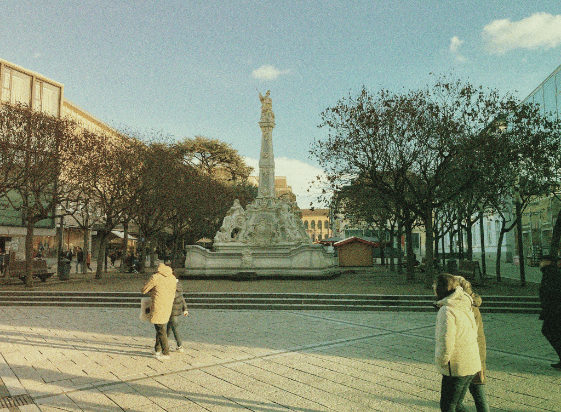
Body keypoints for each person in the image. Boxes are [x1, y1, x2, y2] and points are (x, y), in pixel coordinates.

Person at [434, 273, 481, 412]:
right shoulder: (464, 302)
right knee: (457, 405)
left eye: (435, 284)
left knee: (448, 407)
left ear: (441, 288)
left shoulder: (447, 309)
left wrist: (442, 361)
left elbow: (446, 341)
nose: (433, 287)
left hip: (456, 367)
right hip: (470, 363)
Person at [455, 276, 490, 412]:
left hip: (471, 356)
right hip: (475, 355)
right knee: (479, 395)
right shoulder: (470, 303)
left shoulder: (467, 307)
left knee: (456, 402)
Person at [141, 263, 176, 360]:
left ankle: (166, 353)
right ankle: (157, 349)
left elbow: (144, 290)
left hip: (158, 305)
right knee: (160, 326)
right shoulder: (172, 278)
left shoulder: (155, 277)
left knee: (160, 329)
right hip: (168, 305)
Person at [539, 255, 561, 369]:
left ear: (548, 262)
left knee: (549, 331)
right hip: (554, 309)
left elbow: (550, 292)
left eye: (542, 261)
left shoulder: (551, 272)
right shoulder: (552, 271)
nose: (540, 263)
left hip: (554, 310)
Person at [167, 278, 189, 352]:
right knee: (169, 327)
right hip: (176, 310)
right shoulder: (179, 286)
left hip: (171, 310)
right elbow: (182, 298)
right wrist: (185, 309)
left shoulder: (170, 286)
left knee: (175, 328)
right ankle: (163, 342)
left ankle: (180, 346)